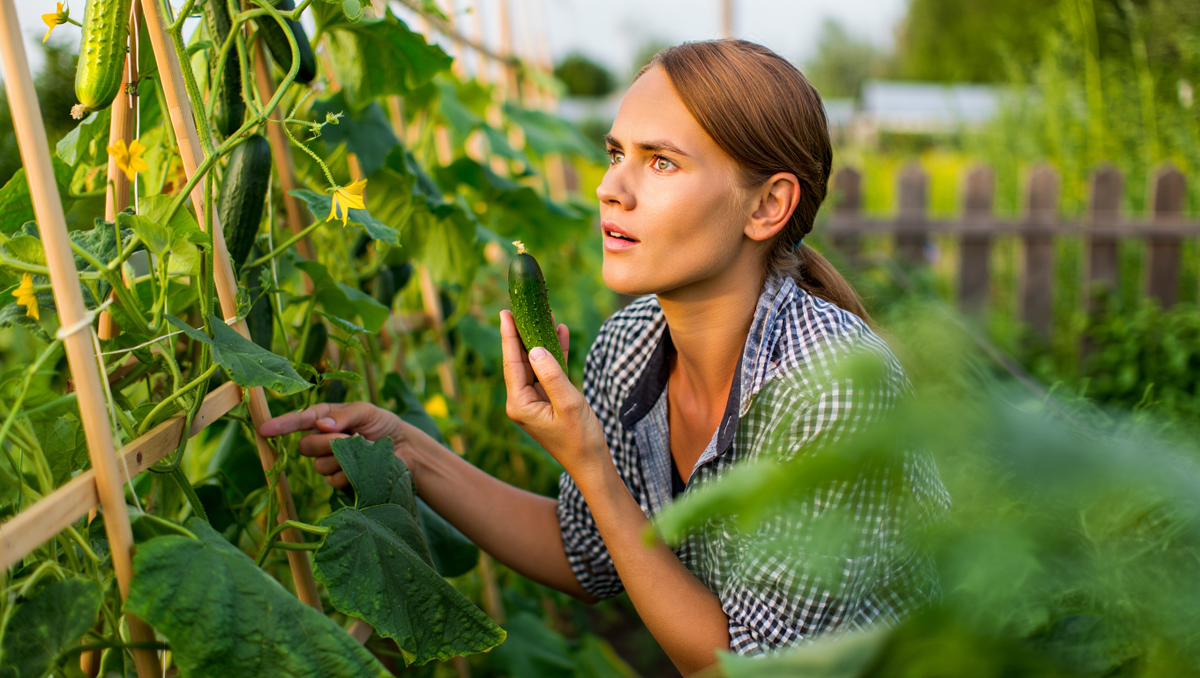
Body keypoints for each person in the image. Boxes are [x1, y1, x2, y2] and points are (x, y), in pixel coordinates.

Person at [259, 39, 949, 675]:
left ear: (767, 206)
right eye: (616, 153)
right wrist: (408, 449)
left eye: (661, 161)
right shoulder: (630, 344)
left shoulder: (826, 384)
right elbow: (590, 553)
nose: (610, 187)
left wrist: (589, 460)